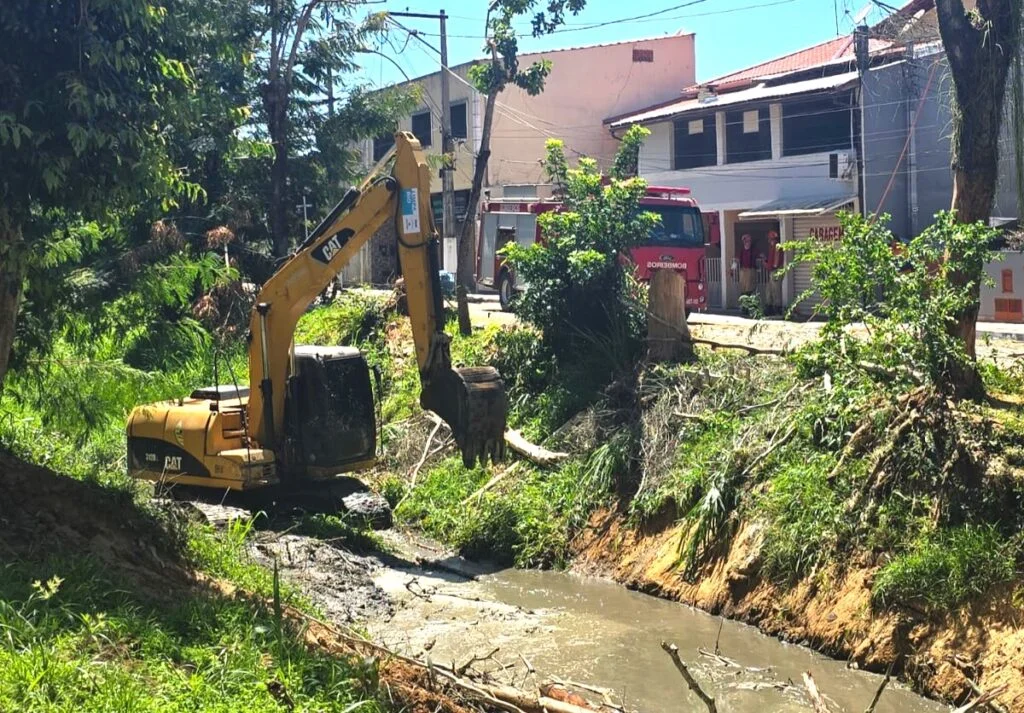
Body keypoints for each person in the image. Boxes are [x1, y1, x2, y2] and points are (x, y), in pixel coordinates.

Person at [766, 230, 784, 315]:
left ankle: (777, 308)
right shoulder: (772, 246)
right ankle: (770, 307)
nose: (769, 240)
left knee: (776, 290)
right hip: (772, 270)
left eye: (769, 238)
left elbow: (776, 259)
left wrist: (774, 266)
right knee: (770, 290)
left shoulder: (776, 246)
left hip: (775, 271)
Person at [738, 233, 756, 297]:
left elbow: (760, 255)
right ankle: (744, 303)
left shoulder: (753, 250)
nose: (748, 242)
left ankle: (749, 303)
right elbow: (737, 260)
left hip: (750, 270)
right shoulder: (741, 250)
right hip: (743, 270)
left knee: (749, 288)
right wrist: (732, 269)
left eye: (749, 241)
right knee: (743, 288)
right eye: (746, 241)